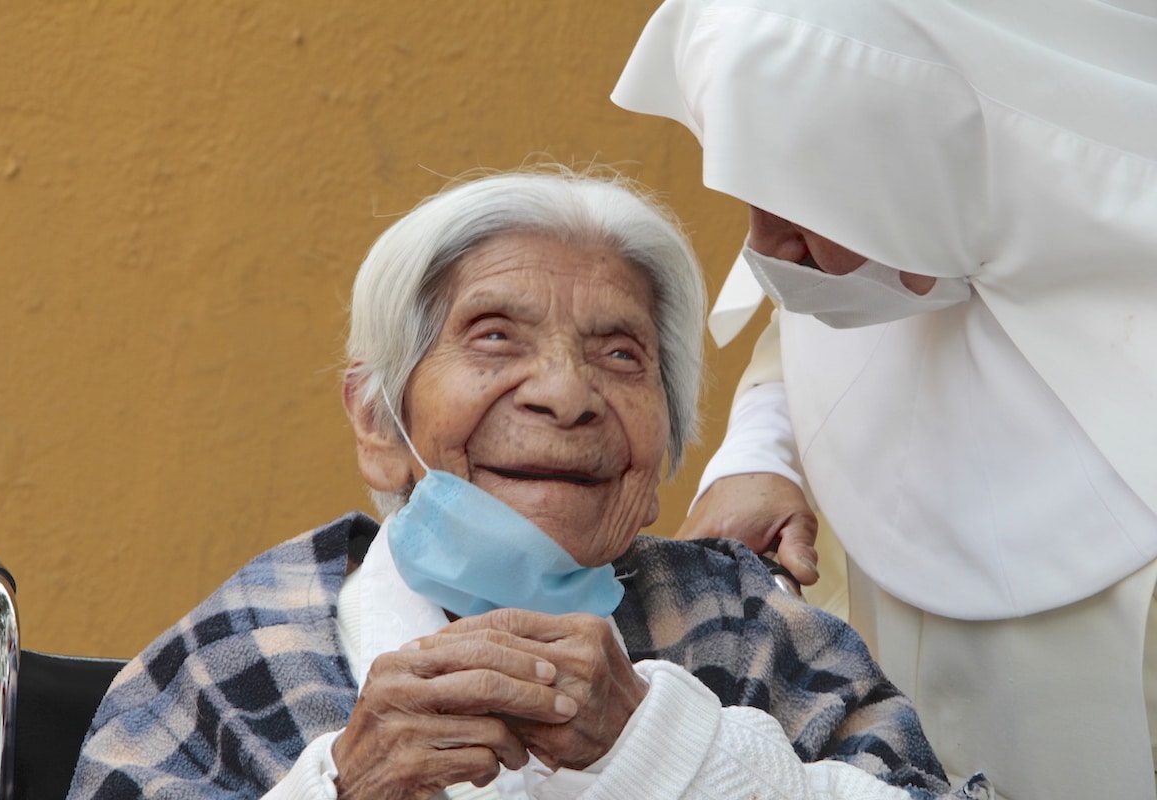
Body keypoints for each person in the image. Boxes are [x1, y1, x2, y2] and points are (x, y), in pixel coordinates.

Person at [65, 167, 990, 800]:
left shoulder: (746, 629)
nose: (565, 394)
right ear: (379, 421)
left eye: (619, 354)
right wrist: (345, 785)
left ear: (663, 448)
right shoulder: (239, 654)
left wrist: (659, 743)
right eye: (495, 338)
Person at [611, 2, 1157, 798]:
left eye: (808, 200)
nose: (767, 248)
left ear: (947, 154)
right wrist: (762, 451)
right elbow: (802, 339)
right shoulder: (907, 212)